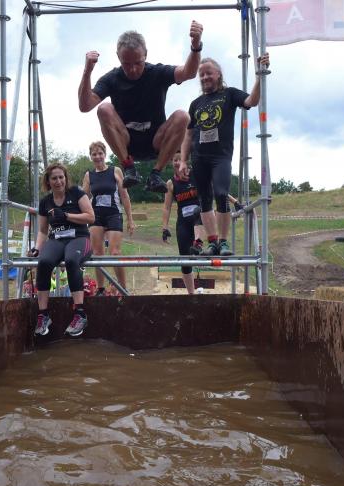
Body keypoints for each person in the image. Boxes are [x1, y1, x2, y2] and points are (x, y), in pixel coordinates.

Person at [78, 22, 204, 193]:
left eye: (138, 62)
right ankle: (129, 168)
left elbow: (189, 72)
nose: (133, 69)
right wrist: (87, 72)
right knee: (104, 109)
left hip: (157, 142)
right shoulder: (112, 78)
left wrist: (196, 46)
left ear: (146, 54)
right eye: (126, 64)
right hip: (126, 142)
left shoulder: (157, 72)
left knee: (183, 116)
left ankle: (156, 174)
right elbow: (85, 106)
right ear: (118, 57)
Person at [179, 53, 270, 256]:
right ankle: (212, 242)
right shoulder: (195, 104)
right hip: (199, 157)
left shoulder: (229, 94)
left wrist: (259, 76)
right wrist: (183, 160)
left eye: (208, 73)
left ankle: (223, 241)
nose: (205, 78)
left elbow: (252, 101)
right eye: (201, 75)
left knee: (221, 194)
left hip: (220, 157)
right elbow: (188, 134)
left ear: (218, 74)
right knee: (204, 199)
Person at [29, 163, 94, 337]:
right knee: (43, 262)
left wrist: (66, 215)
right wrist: (36, 248)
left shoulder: (76, 193)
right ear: (48, 182)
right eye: (54, 178)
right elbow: (43, 231)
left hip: (79, 238)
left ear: (65, 178)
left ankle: (80, 313)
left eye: (61, 177)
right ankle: (43, 315)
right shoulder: (45, 202)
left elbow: (91, 217)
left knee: (72, 260)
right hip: (57, 239)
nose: (58, 181)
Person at [81, 141, 135, 296]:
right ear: (91, 156)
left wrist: (130, 219)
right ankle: (100, 289)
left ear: (105, 154)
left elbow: (125, 196)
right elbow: (83, 198)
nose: (97, 157)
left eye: (100, 153)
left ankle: (123, 288)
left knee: (115, 252)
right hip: (96, 216)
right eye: (94, 154)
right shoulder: (88, 175)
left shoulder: (115, 171)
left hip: (113, 214)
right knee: (97, 253)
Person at [161, 153, 204, 294]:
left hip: (199, 220)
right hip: (183, 223)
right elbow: (167, 207)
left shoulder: (196, 175)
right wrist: (164, 228)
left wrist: (234, 202)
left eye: (181, 159)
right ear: (172, 163)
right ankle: (191, 294)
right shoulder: (170, 183)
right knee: (185, 261)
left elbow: (215, 189)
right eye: (175, 160)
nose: (178, 162)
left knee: (198, 211)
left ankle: (199, 242)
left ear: (186, 161)